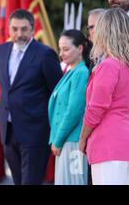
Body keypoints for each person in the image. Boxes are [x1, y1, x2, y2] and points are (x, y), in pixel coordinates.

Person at [0, 9, 63, 185]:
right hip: (8, 130)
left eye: (24, 29)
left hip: (35, 131)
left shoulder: (45, 54)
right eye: (15, 29)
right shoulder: (1, 50)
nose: (19, 34)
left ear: (32, 29)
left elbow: (57, 93)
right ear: (9, 30)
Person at [79, 8, 129, 185]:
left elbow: (95, 108)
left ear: (105, 32)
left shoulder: (109, 66)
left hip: (108, 143)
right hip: (128, 142)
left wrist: (83, 138)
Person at [48, 29, 90, 185]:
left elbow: (74, 111)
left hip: (72, 140)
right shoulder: (72, 72)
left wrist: (58, 140)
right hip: (67, 140)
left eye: (66, 49)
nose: (61, 53)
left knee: (73, 181)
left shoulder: (81, 73)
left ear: (80, 48)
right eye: (60, 49)